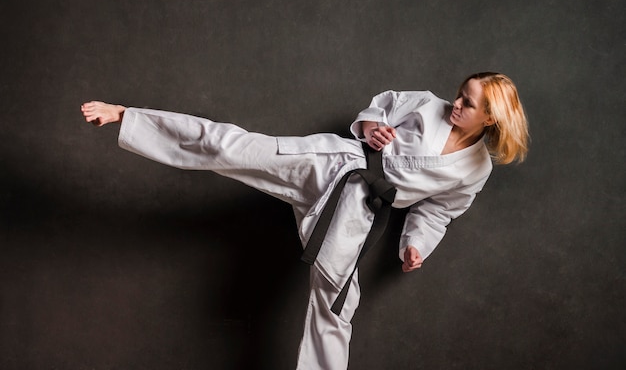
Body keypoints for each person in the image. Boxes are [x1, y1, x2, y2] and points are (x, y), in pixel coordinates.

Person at [80, 72, 529, 370]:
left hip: (357, 210)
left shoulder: (476, 170)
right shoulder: (426, 104)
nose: (455, 103)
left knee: (336, 306)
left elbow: (438, 211)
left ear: (490, 118)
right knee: (231, 146)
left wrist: (415, 245)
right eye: (460, 94)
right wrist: (372, 128)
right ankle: (130, 117)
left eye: (467, 104)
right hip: (332, 163)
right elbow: (378, 107)